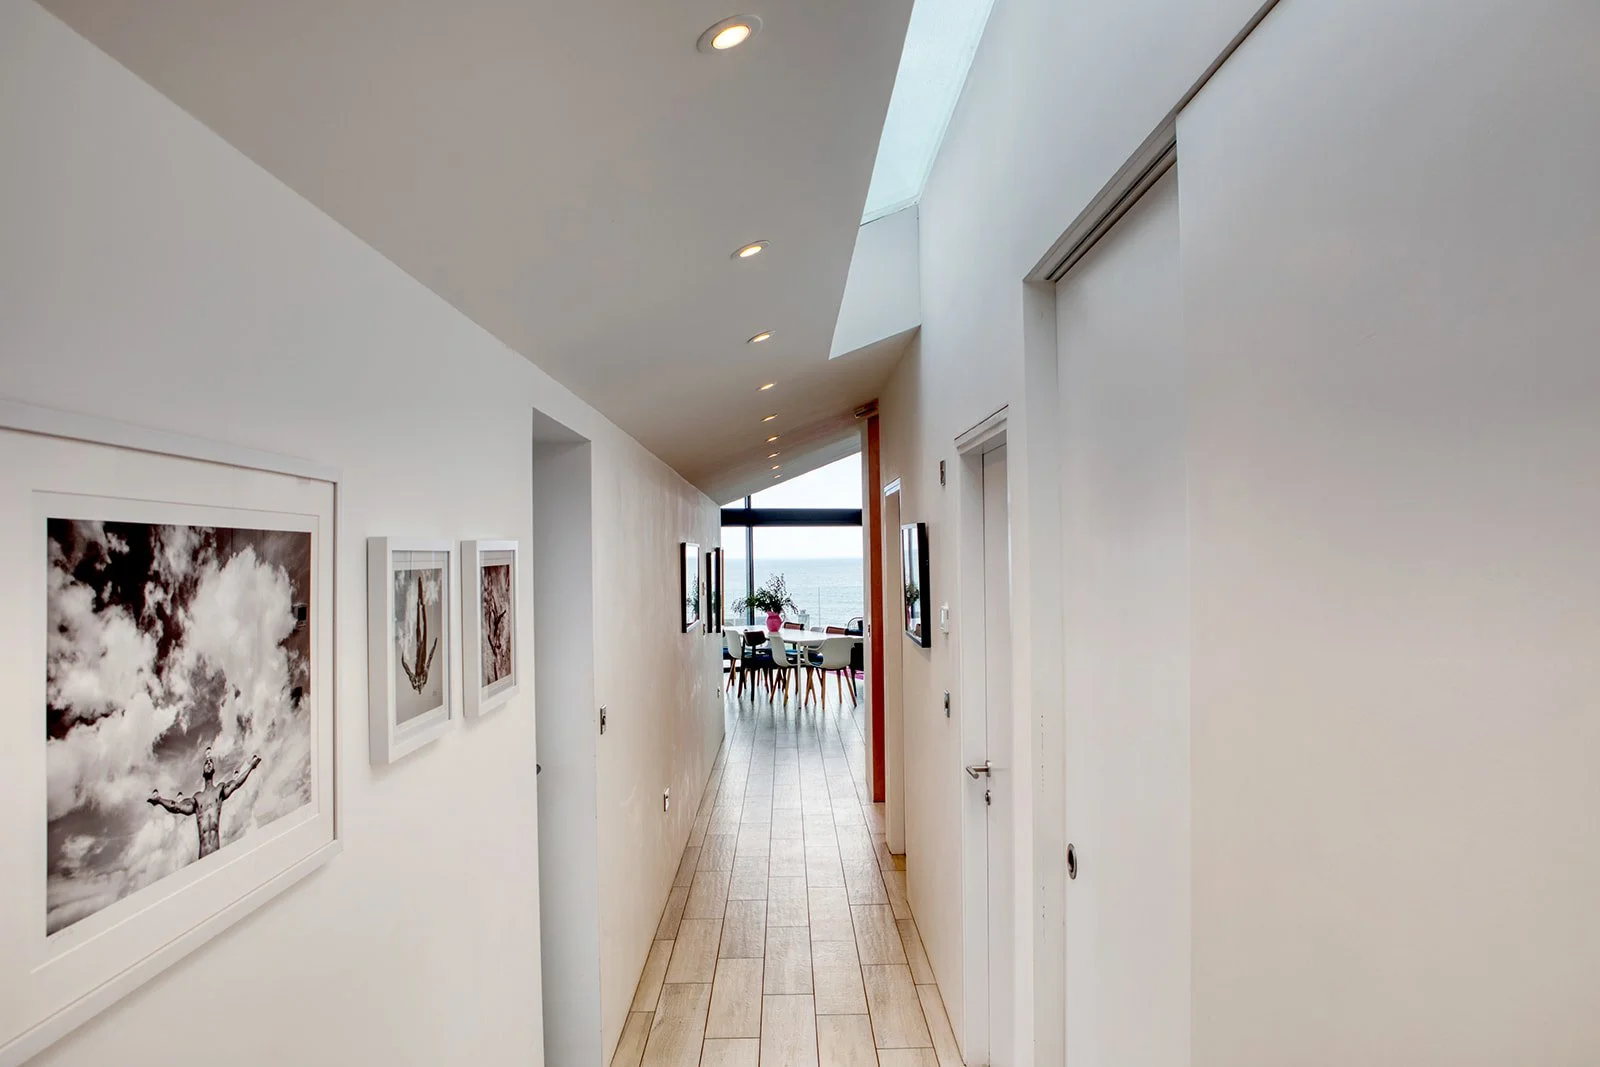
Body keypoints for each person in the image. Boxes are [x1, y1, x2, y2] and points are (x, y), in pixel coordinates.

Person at [147, 746, 261, 859]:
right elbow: (177, 807)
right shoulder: (197, 798)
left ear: (214, 770)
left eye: (211, 761)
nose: (209, 763)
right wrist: (160, 800)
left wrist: (251, 766)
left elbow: (236, 783)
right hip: (202, 857)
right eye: (206, 762)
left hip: (217, 854)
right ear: (203, 772)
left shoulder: (219, 790)